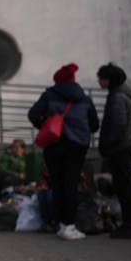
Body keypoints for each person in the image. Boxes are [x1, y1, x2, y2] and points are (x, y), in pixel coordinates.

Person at [28, 63, 99, 241]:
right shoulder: (85, 99)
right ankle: (69, 225)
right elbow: (94, 125)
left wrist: (46, 125)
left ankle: (60, 224)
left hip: (54, 145)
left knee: (57, 185)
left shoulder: (49, 95)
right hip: (76, 147)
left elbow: (33, 114)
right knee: (71, 185)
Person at [96, 63, 131, 239]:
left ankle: (130, 225)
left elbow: (118, 125)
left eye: (101, 78)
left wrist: (107, 143)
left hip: (120, 148)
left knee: (124, 186)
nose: (99, 82)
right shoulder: (119, 95)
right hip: (122, 147)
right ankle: (129, 224)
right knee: (124, 186)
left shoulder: (117, 98)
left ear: (109, 79)